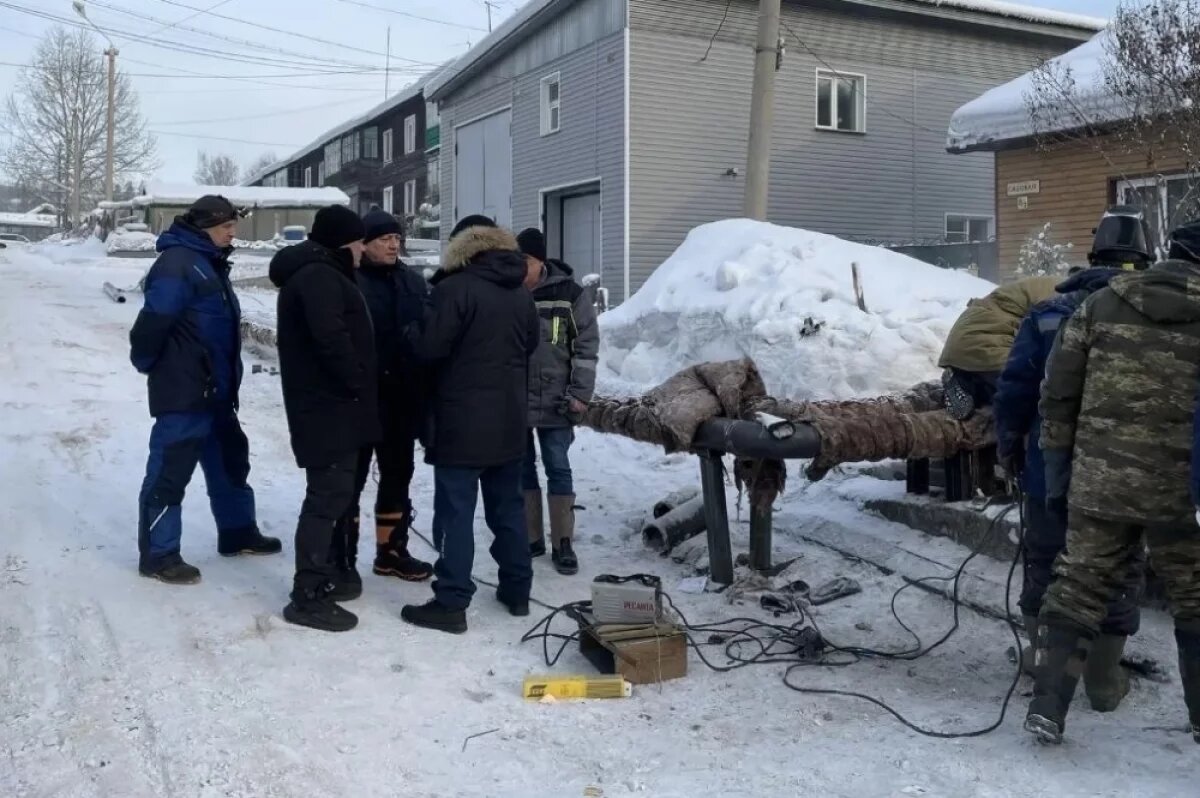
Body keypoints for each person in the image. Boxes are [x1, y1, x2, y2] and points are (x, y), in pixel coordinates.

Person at [1026, 220, 1200, 746]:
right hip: (1185, 495)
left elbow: (1057, 393)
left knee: (1079, 586)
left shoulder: (1099, 305)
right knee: (1195, 598)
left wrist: (1059, 474)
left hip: (1101, 482)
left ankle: (1049, 710)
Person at [993, 264, 1140, 709]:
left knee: (1044, 561)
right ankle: (1103, 679)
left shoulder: (1048, 314)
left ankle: (1041, 663)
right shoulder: (1152, 314)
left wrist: (1007, 446)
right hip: (1125, 474)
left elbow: (1015, 388)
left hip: (1047, 469)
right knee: (1118, 568)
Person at [400, 215, 540, 634]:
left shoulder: (453, 290)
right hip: (510, 420)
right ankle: (517, 590)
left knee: (456, 513)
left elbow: (428, 347)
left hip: (460, 421)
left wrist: (410, 330)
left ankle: (452, 600)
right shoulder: (520, 294)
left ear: (462, 248)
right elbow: (530, 344)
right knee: (508, 509)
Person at [130, 195, 281, 585]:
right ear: (203, 228)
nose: (233, 232)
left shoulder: (208, 263)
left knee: (230, 460)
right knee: (170, 471)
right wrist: (151, 364)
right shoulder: (178, 264)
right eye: (225, 226)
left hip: (216, 390)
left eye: (233, 225)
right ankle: (160, 555)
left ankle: (237, 531)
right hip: (185, 392)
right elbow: (152, 324)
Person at [269, 205, 380, 633]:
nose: (360, 251)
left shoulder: (323, 273)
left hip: (333, 408)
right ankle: (307, 595)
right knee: (325, 500)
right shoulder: (318, 277)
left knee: (332, 497)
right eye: (357, 243)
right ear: (341, 242)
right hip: (327, 410)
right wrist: (357, 382)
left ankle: (323, 579)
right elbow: (331, 342)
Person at [328, 209, 433, 596]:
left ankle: (391, 551)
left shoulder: (411, 281)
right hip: (359, 399)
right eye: (384, 239)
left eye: (396, 239)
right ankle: (343, 559)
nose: (393, 245)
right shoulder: (348, 280)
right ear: (364, 244)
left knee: (398, 476)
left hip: (400, 399)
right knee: (349, 482)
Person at [515, 228, 599, 576]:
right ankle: (531, 536)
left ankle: (562, 541)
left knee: (557, 466)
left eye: (527, 262)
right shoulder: (508, 293)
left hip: (557, 400)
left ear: (540, 261)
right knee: (522, 469)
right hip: (516, 401)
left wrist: (580, 394)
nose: (521, 268)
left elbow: (586, 348)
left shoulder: (569, 294)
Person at [937, 275, 1060, 419]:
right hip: (984, 338)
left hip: (971, 338)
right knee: (1036, 397)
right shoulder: (1063, 295)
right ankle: (967, 381)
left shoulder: (1056, 286)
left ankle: (968, 383)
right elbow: (1054, 341)